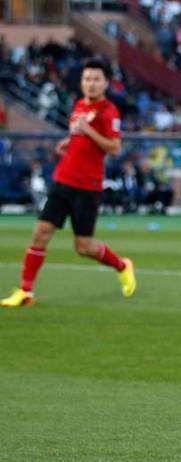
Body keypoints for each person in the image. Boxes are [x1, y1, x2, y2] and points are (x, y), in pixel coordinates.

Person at [1, 59, 136, 308]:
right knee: (40, 233)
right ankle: (25, 291)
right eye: (87, 79)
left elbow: (114, 148)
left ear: (106, 83)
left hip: (88, 186)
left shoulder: (108, 112)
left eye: (96, 79)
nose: (91, 84)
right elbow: (79, 136)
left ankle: (122, 265)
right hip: (63, 179)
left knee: (84, 247)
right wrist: (68, 142)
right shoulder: (79, 105)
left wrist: (89, 131)